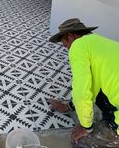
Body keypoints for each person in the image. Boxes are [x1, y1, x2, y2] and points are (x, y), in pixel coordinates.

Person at [48, 18, 119, 148]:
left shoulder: (78, 46)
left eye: (66, 46)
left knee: (80, 142)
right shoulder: (99, 41)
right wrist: (70, 106)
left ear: (71, 36)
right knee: (95, 103)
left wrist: (86, 128)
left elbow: (82, 91)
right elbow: (92, 85)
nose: (69, 50)